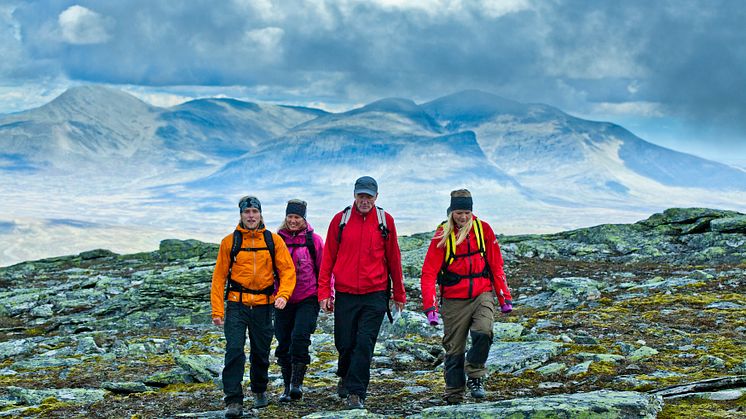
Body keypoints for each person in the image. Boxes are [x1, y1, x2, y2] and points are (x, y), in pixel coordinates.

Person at [318, 176, 406, 409]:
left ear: (376, 197)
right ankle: (345, 376)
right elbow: (328, 258)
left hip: (375, 293)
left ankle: (357, 393)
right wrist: (324, 292)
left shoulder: (385, 221)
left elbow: (394, 259)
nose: (364, 200)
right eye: (361, 195)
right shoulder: (340, 220)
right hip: (346, 293)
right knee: (345, 343)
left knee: (364, 343)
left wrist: (399, 292)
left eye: (369, 196)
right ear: (354, 195)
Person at [420, 189, 513, 405]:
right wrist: (430, 307)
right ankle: (454, 393)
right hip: (454, 300)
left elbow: (496, 265)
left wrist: (504, 298)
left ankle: (475, 375)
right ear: (451, 212)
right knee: (454, 349)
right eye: (458, 212)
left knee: (483, 332)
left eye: (467, 213)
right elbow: (428, 273)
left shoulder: (484, 230)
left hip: (482, 294)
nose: (462, 217)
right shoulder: (442, 235)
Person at [210, 195, 296, 418]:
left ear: (260, 214)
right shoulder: (230, 242)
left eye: (254, 212)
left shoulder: (273, 241)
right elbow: (219, 278)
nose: (251, 216)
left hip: (264, 306)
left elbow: (287, 271)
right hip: (237, 306)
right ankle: (233, 401)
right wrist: (217, 310)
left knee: (260, 352)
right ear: (241, 215)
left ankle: (259, 390)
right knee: (234, 352)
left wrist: (284, 295)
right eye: (247, 212)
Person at [274, 199, 324, 402]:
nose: (293, 221)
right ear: (286, 217)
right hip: (281, 300)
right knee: (283, 341)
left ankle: (297, 384)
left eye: (297, 217)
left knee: (300, 337)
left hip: (308, 297)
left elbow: (324, 269)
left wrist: (326, 296)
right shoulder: (276, 240)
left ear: (304, 218)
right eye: (290, 217)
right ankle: (286, 387)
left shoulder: (315, 240)